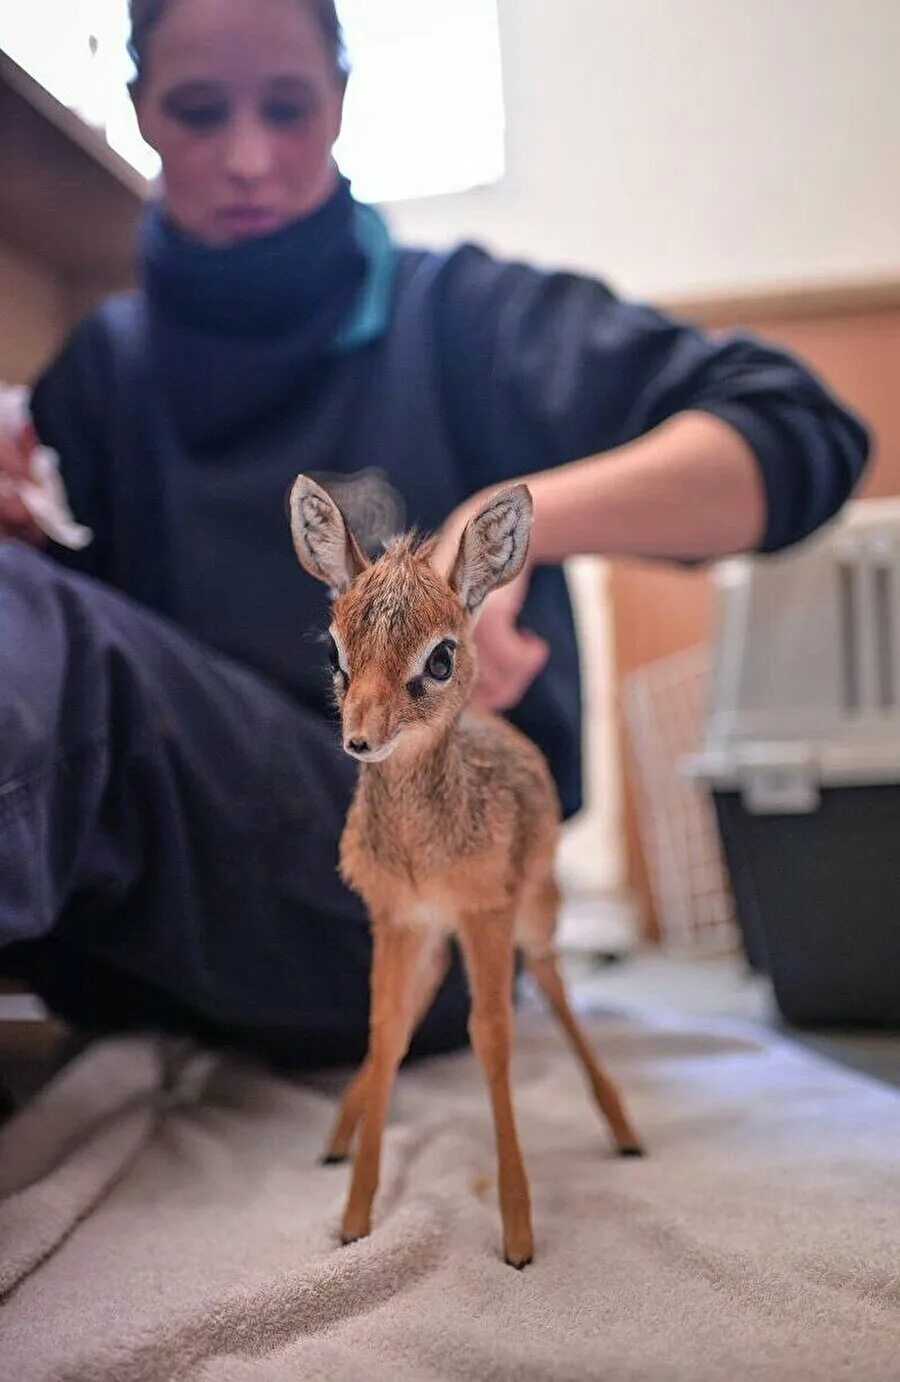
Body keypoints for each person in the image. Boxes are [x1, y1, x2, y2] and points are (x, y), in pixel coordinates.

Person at [0, 0, 868, 1067]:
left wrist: (505, 534)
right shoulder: (100, 372)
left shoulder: (466, 318)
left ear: (342, 101)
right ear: (140, 111)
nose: (248, 157)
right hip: (152, 921)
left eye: (288, 107)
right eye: (196, 110)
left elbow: (799, 428)